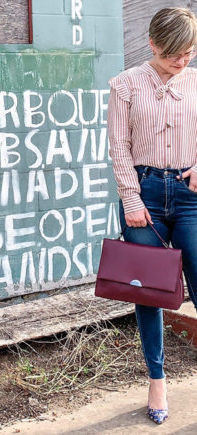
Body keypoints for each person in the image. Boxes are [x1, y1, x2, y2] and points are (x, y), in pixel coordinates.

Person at [107, 7, 197, 425]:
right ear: (153, 44)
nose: (182, 62)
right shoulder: (126, 85)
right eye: (174, 54)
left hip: (190, 196)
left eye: (190, 52)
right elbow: (119, 146)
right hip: (143, 196)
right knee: (148, 291)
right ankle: (157, 379)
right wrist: (129, 197)